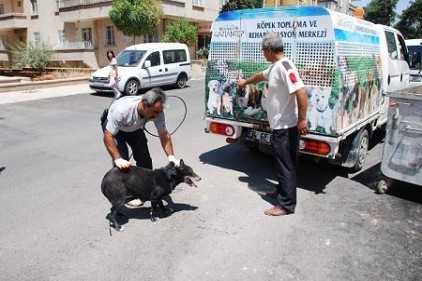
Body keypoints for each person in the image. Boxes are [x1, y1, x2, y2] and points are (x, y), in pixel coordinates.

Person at [236, 33, 308, 217]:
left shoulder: (285, 67)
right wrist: (246, 82)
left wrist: (302, 119)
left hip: (286, 128)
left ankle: (286, 205)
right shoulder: (275, 67)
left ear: (269, 50)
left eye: (263, 51)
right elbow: (261, 75)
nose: (263, 54)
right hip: (280, 127)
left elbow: (301, 92)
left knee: (286, 166)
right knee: (282, 164)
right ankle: (282, 192)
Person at [103, 87, 179, 206]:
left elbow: (164, 134)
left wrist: (171, 157)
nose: (158, 115)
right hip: (116, 130)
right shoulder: (122, 110)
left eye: (160, 111)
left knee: (144, 158)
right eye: (155, 112)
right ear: (144, 105)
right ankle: (123, 195)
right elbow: (108, 136)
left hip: (134, 128)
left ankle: (145, 190)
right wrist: (117, 159)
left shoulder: (158, 112)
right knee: (123, 162)